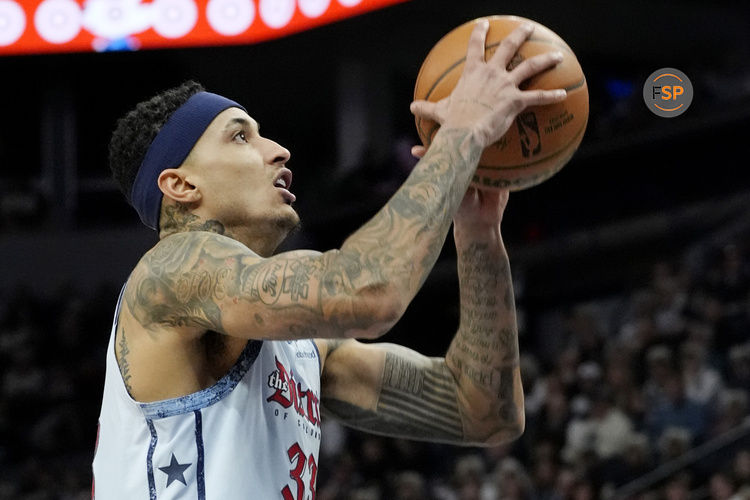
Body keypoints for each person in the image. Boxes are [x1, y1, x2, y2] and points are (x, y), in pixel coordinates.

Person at [92, 20, 568, 498]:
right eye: (240, 137)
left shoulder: (307, 350)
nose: (279, 151)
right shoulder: (172, 272)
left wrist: (479, 238)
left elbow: (485, 412)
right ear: (181, 185)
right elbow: (368, 292)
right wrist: (461, 132)